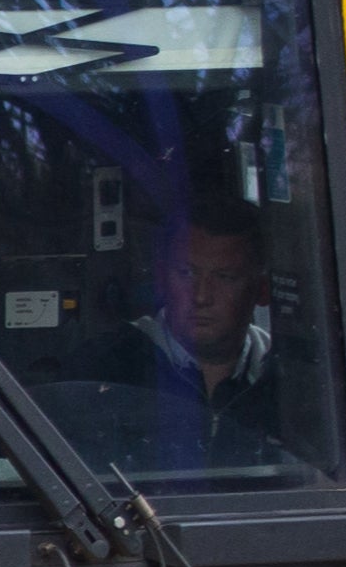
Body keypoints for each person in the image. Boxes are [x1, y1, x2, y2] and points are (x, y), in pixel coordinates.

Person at [89, 185, 283, 463]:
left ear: (262, 290)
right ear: (161, 278)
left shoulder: (285, 379)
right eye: (186, 273)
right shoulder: (103, 367)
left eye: (225, 277)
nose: (201, 296)